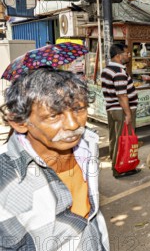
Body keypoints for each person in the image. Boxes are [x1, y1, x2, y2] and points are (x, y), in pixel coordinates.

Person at [0, 68, 110, 250]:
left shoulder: (87, 146)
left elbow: (91, 217)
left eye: (79, 109)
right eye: (54, 115)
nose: (74, 124)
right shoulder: (5, 179)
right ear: (19, 123)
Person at [101, 43, 140, 178]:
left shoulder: (107, 70)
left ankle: (115, 161)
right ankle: (120, 168)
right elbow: (122, 95)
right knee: (122, 139)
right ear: (118, 56)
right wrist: (128, 113)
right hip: (121, 110)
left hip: (112, 108)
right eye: (126, 53)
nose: (128, 55)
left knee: (114, 138)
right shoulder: (118, 72)